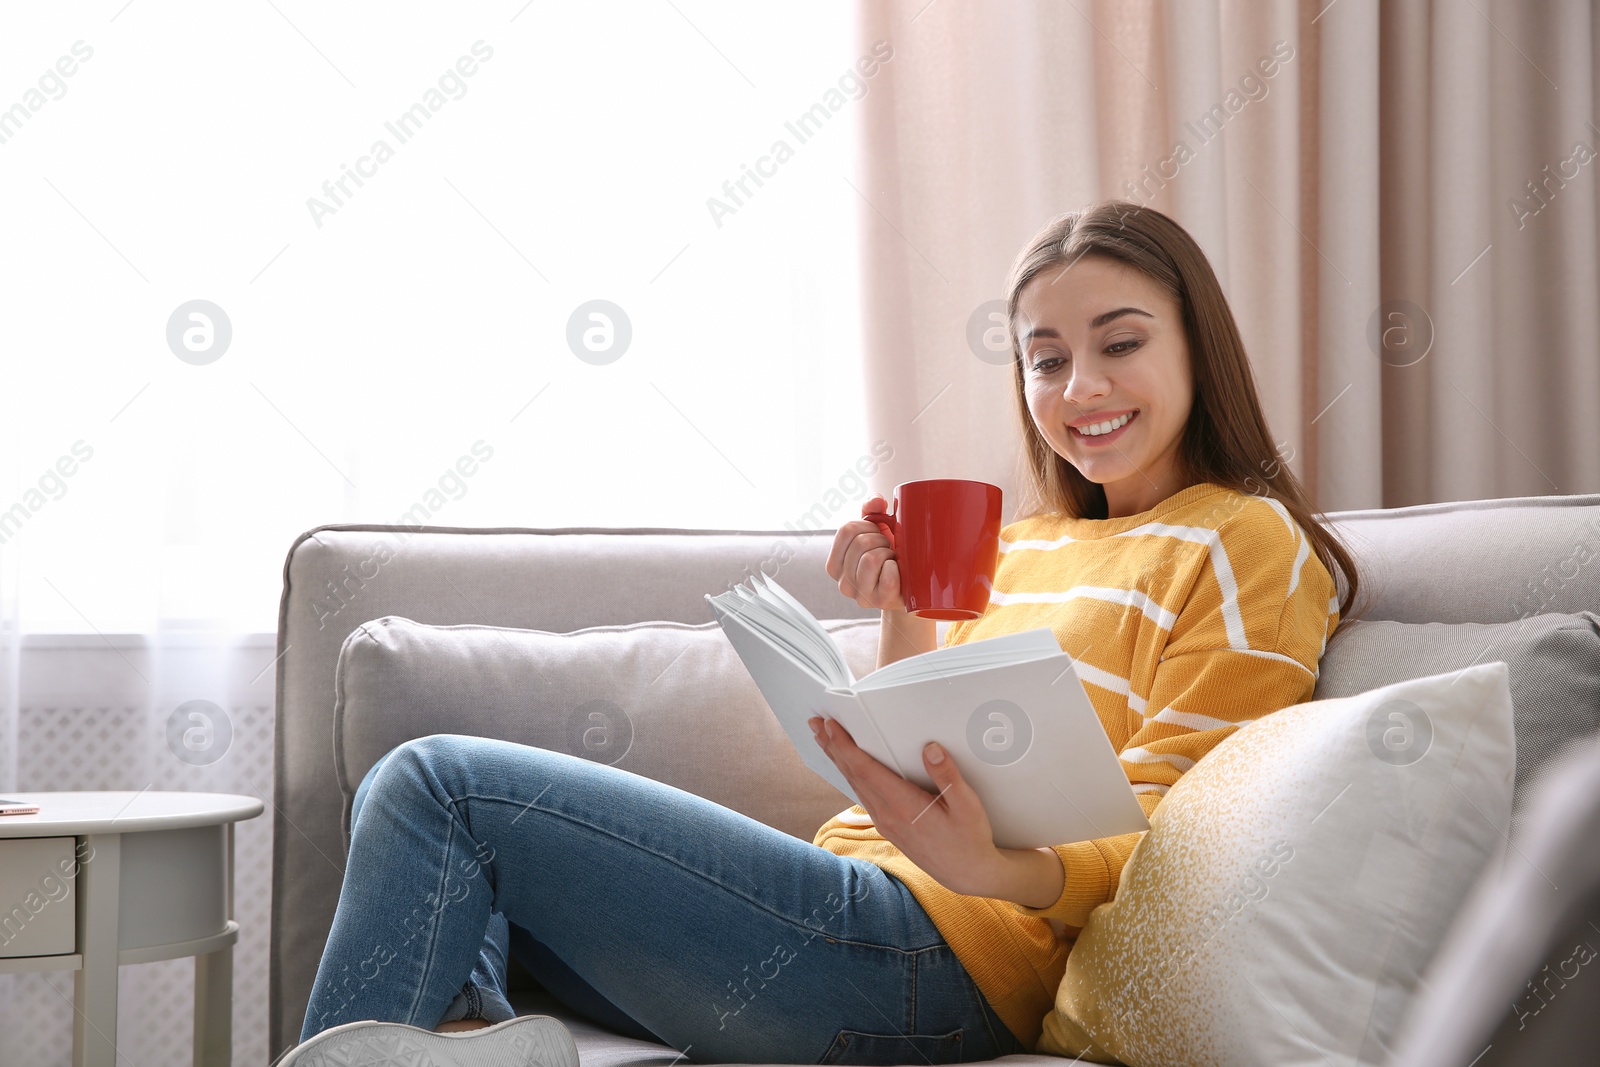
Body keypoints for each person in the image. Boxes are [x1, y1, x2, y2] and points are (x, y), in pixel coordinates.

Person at [279, 200, 1363, 1067]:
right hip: (862, 909)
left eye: (1119, 342)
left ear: (1196, 345)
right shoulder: (1026, 542)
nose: (1079, 388)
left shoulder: (1243, 543)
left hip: (938, 955)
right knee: (450, 875)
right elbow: (924, 747)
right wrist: (902, 610)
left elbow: (1180, 832)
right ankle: (461, 1043)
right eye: (1043, 358)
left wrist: (997, 865)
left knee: (438, 787)